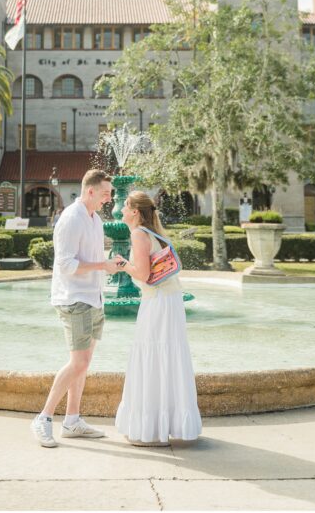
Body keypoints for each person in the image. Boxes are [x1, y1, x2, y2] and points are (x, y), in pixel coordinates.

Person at [32, 169, 124, 448]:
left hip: (93, 298)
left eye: (110, 193)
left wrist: (109, 262)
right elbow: (66, 265)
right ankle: (44, 418)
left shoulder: (95, 219)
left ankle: (72, 421)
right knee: (79, 363)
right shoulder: (71, 218)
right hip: (74, 299)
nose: (110, 197)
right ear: (90, 190)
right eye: (106, 192)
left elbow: (91, 259)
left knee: (82, 366)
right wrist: (102, 266)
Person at [114, 191, 202, 446]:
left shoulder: (139, 234)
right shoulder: (155, 233)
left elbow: (142, 274)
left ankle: (152, 429)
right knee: (168, 358)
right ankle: (168, 423)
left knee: (153, 357)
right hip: (169, 300)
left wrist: (122, 264)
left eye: (125, 206)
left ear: (135, 212)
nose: (120, 210)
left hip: (158, 302)